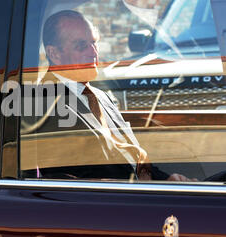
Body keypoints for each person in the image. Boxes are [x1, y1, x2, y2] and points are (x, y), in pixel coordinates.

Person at [41, 10, 194, 182]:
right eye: (81, 45)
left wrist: (167, 181)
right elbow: (86, 178)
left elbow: (129, 157)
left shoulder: (101, 97)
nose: (93, 52)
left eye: (94, 43)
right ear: (54, 54)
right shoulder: (44, 104)